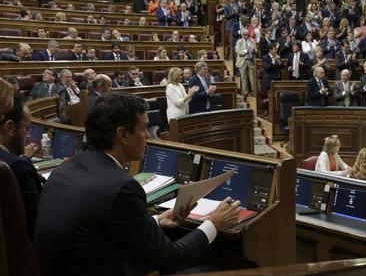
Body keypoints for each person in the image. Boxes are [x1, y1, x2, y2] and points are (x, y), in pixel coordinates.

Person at [34, 93, 241, 275]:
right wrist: (214, 222)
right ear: (123, 134)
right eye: (144, 129)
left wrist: (156, 221)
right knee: (224, 262)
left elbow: (102, 226)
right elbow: (170, 259)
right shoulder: (121, 187)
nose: (147, 137)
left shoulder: (64, 169)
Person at [0, 94, 43, 238]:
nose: (28, 135)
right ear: (10, 127)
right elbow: (36, 224)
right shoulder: (19, 167)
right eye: (27, 128)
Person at [235, 29, 257, 96]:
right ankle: (245, 93)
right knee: (244, 78)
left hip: (250, 61)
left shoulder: (252, 40)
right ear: (242, 35)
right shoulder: (239, 42)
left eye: (247, 34)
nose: (246, 35)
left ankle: (254, 93)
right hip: (243, 61)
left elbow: (256, 49)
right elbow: (238, 51)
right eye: (244, 34)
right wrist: (245, 51)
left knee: (252, 78)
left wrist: (254, 51)